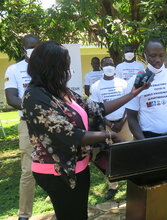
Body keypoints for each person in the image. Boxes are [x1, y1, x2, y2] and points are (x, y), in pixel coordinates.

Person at [22, 41, 147, 219]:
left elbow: (98, 108)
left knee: (79, 215)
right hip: (58, 172)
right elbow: (69, 134)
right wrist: (109, 134)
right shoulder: (35, 96)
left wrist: (132, 94)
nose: (68, 70)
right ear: (50, 68)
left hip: (79, 167)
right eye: (64, 66)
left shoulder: (62, 91)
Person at [126, 38, 167, 140]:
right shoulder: (134, 81)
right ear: (145, 55)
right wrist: (143, 142)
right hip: (148, 138)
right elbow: (131, 117)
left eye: (161, 55)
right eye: (153, 56)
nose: (158, 60)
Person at [4, 34, 39, 220]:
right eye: (29, 46)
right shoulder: (14, 69)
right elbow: (11, 99)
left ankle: (60, 205)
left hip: (50, 125)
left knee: (56, 165)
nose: (33, 49)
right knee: (28, 170)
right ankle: (24, 214)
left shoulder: (45, 67)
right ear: (23, 47)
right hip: (28, 125)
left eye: (36, 46)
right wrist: (37, 107)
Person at [89, 57, 133, 200]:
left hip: (124, 123)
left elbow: (129, 104)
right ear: (101, 67)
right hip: (107, 125)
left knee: (129, 152)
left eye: (111, 64)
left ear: (115, 66)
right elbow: (96, 111)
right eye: (106, 64)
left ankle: (132, 182)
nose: (109, 66)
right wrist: (111, 124)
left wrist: (122, 121)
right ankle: (113, 186)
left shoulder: (123, 83)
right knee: (110, 156)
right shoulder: (95, 86)